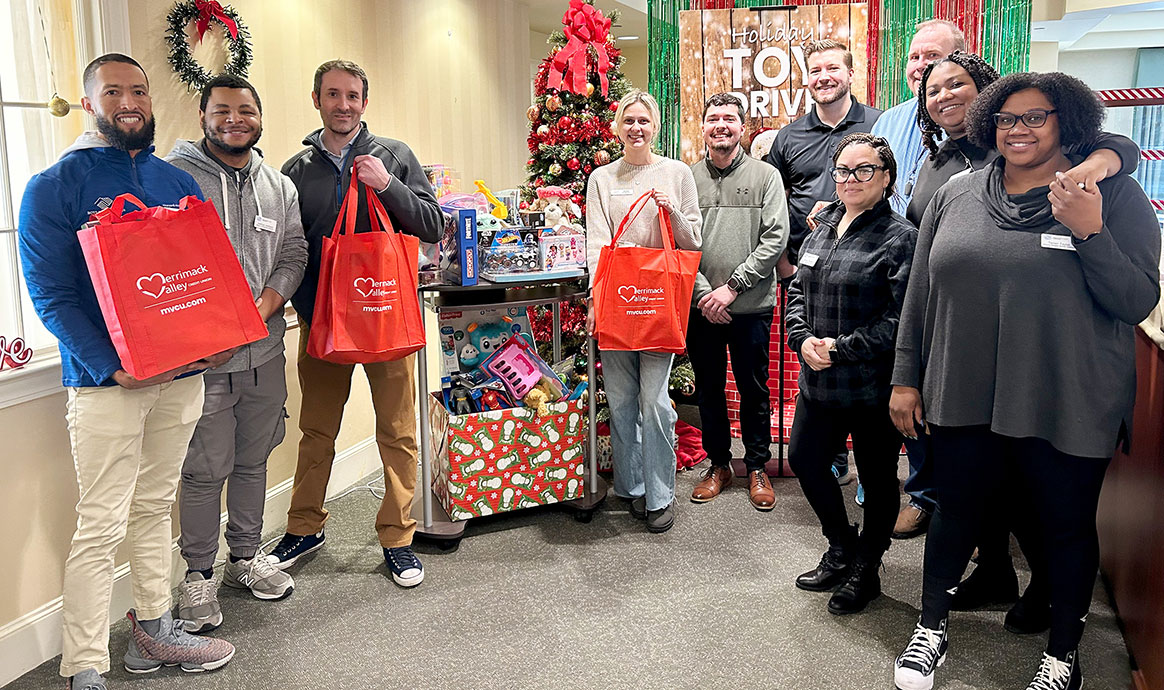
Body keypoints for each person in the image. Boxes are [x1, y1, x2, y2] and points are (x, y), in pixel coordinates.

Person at [891, 72, 1160, 690]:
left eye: (1036, 117)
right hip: (963, 392)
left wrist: (1089, 231)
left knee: (1062, 527)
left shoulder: (1112, 196)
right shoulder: (955, 194)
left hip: (1067, 397)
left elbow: (1135, 299)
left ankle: (1063, 654)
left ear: (1067, 121)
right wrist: (906, 378)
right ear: (990, 124)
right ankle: (930, 627)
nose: (1019, 128)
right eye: (1008, 118)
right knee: (956, 514)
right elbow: (920, 296)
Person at [17, 53, 236, 690]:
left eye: (138, 90)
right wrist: (113, 368)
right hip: (105, 386)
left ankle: (155, 630)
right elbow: (52, 297)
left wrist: (218, 340)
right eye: (113, 91)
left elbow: (203, 281)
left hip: (181, 377)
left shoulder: (179, 184)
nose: (129, 101)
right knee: (101, 522)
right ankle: (85, 664)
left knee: (154, 505)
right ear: (90, 103)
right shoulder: (53, 187)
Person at [270, 60, 443, 587]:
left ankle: (398, 537)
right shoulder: (295, 170)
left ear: (364, 102)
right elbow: (290, 247)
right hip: (322, 321)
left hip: (385, 317)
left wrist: (388, 185)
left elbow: (434, 224)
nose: (342, 104)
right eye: (332, 95)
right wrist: (301, 304)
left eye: (352, 96)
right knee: (316, 430)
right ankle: (304, 526)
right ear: (316, 99)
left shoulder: (394, 155)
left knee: (396, 431)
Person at [165, 74, 308, 632]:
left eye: (245, 110)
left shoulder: (279, 185)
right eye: (221, 110)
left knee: (253, 459)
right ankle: (198, 575)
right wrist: (213, 323)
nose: (234, 119)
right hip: (203, 360)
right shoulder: (174, 178)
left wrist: (264, 308)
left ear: (260, 117)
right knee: (204, 470)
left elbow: (292, 251)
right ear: (203, 116)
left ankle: (244, 558)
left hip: (265, 350)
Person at [785, 133, 916, 615]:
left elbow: (902, 320)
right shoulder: (822, 228)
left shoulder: (901, 238)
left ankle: (868, 567)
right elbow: (797, 293)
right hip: (817, 381)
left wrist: (841, 348)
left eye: (864, 170)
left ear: (885, 178)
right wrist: (802, 341)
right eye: (843, 170)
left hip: (870, 386)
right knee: (804, 458)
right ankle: (841, 545)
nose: (851, 179)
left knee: (879, 479)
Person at [765, 39, 883, 495]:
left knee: (864, 363)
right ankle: (832, 460)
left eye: (832, 68)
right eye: (815, 71)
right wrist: (783, 263)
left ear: (851, 73)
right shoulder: (789, 137)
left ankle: (871, 467)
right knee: (816, 364)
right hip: (805, 273)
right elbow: (772, 205)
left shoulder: (878, 124)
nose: (823, 77)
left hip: (866, 274)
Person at [867, 18, 968, 539]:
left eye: (935, 59)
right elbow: (878, 188)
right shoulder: (890, 119)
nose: (923, 71)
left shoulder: (984, 125)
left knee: (948, 397)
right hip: (899, 274)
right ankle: (909, 488)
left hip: (956, 283)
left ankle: (948, 503)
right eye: (914, 60)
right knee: (905, 386)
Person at [585, 89, 702, 533]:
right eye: (628, 120)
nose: (636, 128)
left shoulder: (677, 174)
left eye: (644, 121)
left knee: (654, 402)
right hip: (615, 301)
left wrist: (669, 211)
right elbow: (596, 244)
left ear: (656, 126)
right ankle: (631, 488)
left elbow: (693, 240)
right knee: (620, 400)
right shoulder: (601, 178)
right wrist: (596, 302)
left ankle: (660, 493)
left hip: (655, 303)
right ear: (618, 126)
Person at [687, 93, 789, 511]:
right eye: (713, 119)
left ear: (743, 128)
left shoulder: (766, 176)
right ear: (704, 127)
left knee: (753, 389)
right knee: (708, 390)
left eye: (729, 119)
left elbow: (774, 239)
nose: (721, 126)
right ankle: (718, 464)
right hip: (700, 308)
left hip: (749, 306)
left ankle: (758, 465)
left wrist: (731, 287)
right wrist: (702, 293)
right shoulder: (686, 178)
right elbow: (676, 244)